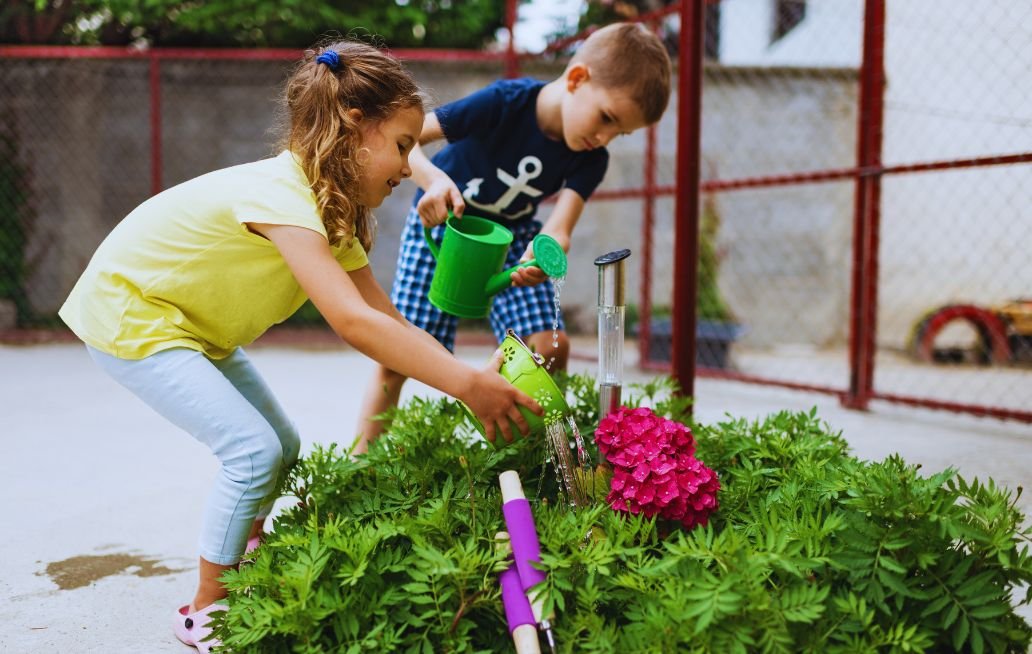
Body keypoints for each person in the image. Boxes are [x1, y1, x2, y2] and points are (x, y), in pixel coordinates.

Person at [58, 39, 539, 653]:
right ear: (352, 126)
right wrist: (466, 386)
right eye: (400, 146)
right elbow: (351, 322)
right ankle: (207, 607)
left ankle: (245, 551)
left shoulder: (331, 219)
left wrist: (469, 373)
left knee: (281, 446)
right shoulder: (283, 194)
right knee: (253, 450)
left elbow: (387, 322)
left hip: (191, 323)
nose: (405, 166)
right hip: (135, 312)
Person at [356, 22, 672, 452]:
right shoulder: (504, 104)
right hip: (445, 229)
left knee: (546, 348)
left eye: (620, 133)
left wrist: (540, 256)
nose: (604, 138)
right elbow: (406, 143)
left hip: (512, 239)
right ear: (577, 78)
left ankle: (519, 451)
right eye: (607, 118)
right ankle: (361, 463)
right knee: (397, 359)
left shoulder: (590, 159)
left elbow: (558, 231)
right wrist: (433, 182)